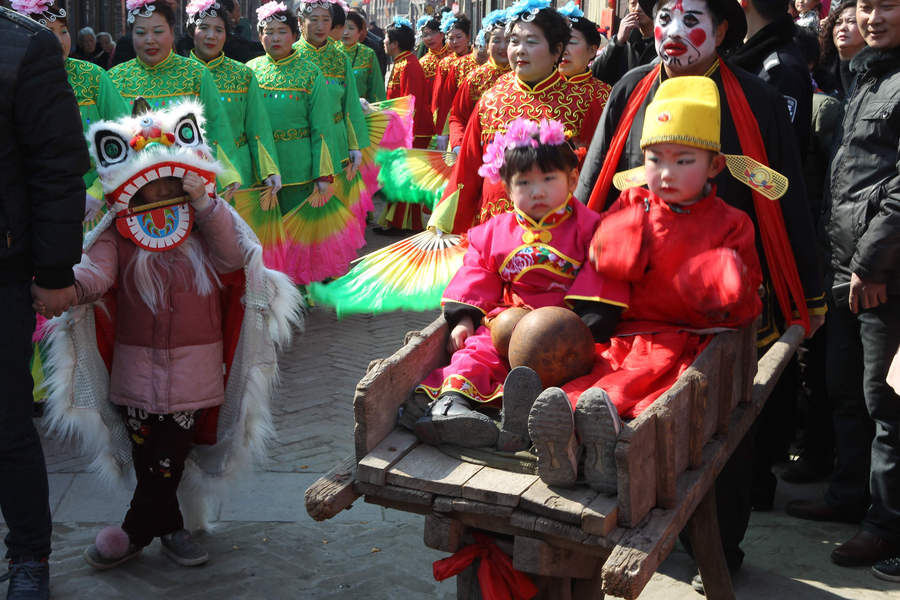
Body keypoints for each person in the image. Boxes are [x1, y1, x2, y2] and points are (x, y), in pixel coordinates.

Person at [575, 0, 824, 588]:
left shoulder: (757, 100)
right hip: (639, 301)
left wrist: (808, 292)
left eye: (691, 21)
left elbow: (785, 200)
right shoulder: (630, 88)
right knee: (634, 404)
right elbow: (595, 181)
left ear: (721, 31)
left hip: (723, 307)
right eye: (664, 18)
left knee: (720, 435)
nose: (674, 32)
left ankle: (719, 544)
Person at [41, 100, 300, 572]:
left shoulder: (206, 226)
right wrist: (66, 289)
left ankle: (135, 530)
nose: (159, 192)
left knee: (168, 456)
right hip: (133, 366)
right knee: (149, 456)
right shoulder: (116, 235)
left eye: (170, 183)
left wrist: (204, 202)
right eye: (149, 185)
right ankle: (171, 528)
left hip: (196, 369)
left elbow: (235, 257)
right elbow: (94, 276)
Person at [536, 76, 764, 490]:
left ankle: (598, 444)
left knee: (641, 382)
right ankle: (562, 438)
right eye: (655, 159)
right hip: (624, 333)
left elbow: (747, 306)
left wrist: (724, 281)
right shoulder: (632, 204)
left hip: (684, 341)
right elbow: (601, 265)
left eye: (683, 160)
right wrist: (611, 244)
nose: (665, 173)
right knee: (597, 371)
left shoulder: (733, 224)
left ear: (714, 165)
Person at [411, 117, 629, 451]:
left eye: (548, 179)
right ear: (507, 187)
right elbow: (477, 273)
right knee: (477, 351)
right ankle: (450, 405)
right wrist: (466, 319)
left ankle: (541, 416)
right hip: (507, 322)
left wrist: (587, 329)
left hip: (568, 329)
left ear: (572, 179)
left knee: (596, 366)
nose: (537, 191)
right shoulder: (494, 230)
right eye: (524, 182)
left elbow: (603, 276)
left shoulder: (592, 228)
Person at [787, 0, 900, 575]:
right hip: (847, 266)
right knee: (846, 390)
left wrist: (874, 265)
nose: (872, 16)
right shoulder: (868, 75)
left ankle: (887, 525)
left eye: (888, 5)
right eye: (863, 5)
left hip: (883, 274)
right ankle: (849, 496)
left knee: (887, 403)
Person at [1, 5, 88, 599]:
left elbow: (58, 166)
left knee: (6, 422)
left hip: (3, 268)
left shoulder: (22, 46)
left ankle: (29, 554)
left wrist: (54, 270)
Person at [436, 0, 608, 234]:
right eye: (514, 41)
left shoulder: (583, 101)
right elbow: (467, 168)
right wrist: (448, 226)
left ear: (556, 50)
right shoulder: (492, 97)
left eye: (532, 42)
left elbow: (594, 172)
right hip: (492, 230)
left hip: (558, 234)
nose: (519, 50)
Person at [247, 1, 359, 284]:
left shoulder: (310, 73)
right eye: (268, 32)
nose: (274, 38)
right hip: (260, 169)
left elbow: (321, 126)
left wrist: (322, 172)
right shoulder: (249, 70)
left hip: (300, 168)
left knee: (299, 237)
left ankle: (300, 291)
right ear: (259, 36)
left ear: (293, 34)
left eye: (281, 32)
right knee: (265, 235)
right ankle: (269, 287)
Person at [109, 0, 241, 193]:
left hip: (191, 184)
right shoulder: (114, 79)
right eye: (140, 33)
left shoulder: (195, 73)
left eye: (158, 31)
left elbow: (217, 126)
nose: (149, 40)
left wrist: (227, 175)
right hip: (137, 187)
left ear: (172, 32)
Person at [187, 0, 282, 266]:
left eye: (219, 29)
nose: (211, 36)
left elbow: (257, 127)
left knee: (238, 246)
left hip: (239, 174)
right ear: (190, 31)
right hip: (190, 174)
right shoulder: (179, 75)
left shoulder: (242, 75)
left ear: (228, 35)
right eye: (203, 28)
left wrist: (269, 169)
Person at [293, 0, 371, 241]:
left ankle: (327, 266)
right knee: (303, 206)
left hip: (336, 141)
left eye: (325, 20)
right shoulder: (290, 55)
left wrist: (355, 145)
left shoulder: (340, 59)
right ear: (300, 22)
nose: (320, 26)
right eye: (313, 20)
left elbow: (349, 105)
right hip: (302, 142)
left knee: (332, 206)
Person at [376, 17, 436, 232]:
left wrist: (404, 132)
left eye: (386, 38)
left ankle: (404, 223)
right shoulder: (401, 62)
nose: (383, 42)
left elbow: (411, 102)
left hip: (413, 130)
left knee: (406, 176)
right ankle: (394, 220)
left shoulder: (409, 64)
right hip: (403, 129)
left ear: (395, 44)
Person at [448, 9, 510, 153]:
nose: (503, 47)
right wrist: (458, 144)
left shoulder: (524, 76)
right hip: (478, 152)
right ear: (486, 46)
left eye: (508, 40)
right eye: (496, 40)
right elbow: (457, 117)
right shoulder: (475, 79)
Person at [432, 11, 476, 150]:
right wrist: (441, 131)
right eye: (451, 38)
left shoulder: (478, 61)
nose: (455, 42)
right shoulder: (445, 64)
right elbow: (440, 100)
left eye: (459, 37)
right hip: (453, 121)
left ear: (468, 37)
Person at [591, 0, 656, 85]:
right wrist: (617, 42)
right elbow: (596, 74)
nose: (637, 9)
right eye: (633, 3)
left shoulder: (665, 42)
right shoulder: (623, 42)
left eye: (644, 3)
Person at [818, 0, 865, 99]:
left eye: (851, 21)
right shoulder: (819, 69)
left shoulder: (875, 73)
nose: (842, 28)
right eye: (838, 22)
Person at [342, 10, 386, 103]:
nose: (346, 32)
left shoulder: (368, 54)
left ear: (359, 32)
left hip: (362, 112)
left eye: (351, 28)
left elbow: (376, 88)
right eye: (343, 28)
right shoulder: (332, 52)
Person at [417, 14, 452, 128]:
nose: (429, 38)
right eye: (425, 35)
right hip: (433, 114)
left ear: (442, 34)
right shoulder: (422, 63)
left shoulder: (454, 54)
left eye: (432, 33)